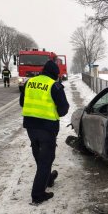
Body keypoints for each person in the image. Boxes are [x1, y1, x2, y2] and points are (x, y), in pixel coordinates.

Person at [19, 60, 69, 204]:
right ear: (55, 73)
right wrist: (53, 112)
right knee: (46, 161)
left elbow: (22, 103)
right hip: (47, 129)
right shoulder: (55, 86)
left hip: (31, 128)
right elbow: (64, 108)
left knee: (40, 158)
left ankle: (48, 179)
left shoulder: (29, 82)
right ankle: (38, 194)